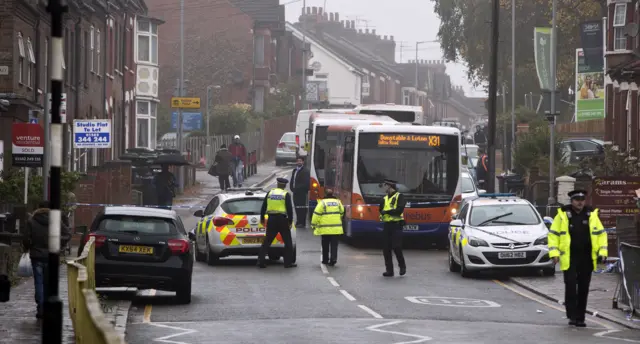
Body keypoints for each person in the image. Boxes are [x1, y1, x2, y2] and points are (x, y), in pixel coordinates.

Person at [548, 190, 608, 327]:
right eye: (577, 199)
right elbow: (553, 235)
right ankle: (572, 316)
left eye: (582, 199)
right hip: (569, 257)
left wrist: (603, 252)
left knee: (583, 288)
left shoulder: (591, 215)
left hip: (587, 257)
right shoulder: (562, 215)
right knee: (570, 286)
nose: (580, 202)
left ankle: (581, 318)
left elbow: (601, 234)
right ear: (572, 201)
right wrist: (554, 254)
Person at [22, 201, 71, 318]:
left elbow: (26, 239)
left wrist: (28, 247)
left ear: (38, 208)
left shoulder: (32, 221)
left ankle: (41, 308)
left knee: (38, 282)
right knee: (48, 283)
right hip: (51, 256)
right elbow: (68, 234)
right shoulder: (55, 220)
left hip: (36, 256)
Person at [257, 178, 296, 268]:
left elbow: (264, 206)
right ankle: (287, 263)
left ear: (277, 184)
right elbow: (289, 209)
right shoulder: (285, 194)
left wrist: (262, 218)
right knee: (288, 242)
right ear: (285, 185)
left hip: (271, 219)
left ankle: (261, 261)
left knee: (267, 242)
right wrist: (290, 221)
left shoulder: (270, 193)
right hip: (282, 220)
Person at [379, 179, 406, 277]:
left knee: (396, 246)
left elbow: (399, 210)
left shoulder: (400, 197)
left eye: (386, 186)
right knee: (386, 249)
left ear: (390, 187)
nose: (384, 188)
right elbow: (380, 210)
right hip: (387, 225)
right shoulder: (384, 198)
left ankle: (402, 266)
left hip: (397, 224)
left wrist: (387, 212)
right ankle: (389, 270)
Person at [311, 187, 344, 266]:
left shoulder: (322, 203)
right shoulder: (338, 202)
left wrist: (313, 225)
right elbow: (342, 212)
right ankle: (333, 260)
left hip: (325, 229)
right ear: (332, 194)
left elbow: (316, 214)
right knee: (334, 245)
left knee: (325, 245)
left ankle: (325, 260)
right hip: (336, 229)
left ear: (325, 194)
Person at [290, 156, 310, 228]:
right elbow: (293, 180)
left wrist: (297, 188)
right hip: (295, 192)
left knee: (302, 208)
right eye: (298, 161)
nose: (299, 162)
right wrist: (292, 188)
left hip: (302, 193)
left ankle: (302, 222)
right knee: (296, 207)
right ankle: (298, 221)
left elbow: (306, 183)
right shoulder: (295, 170)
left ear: (303, 162)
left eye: (300, 161)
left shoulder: (305, 171)